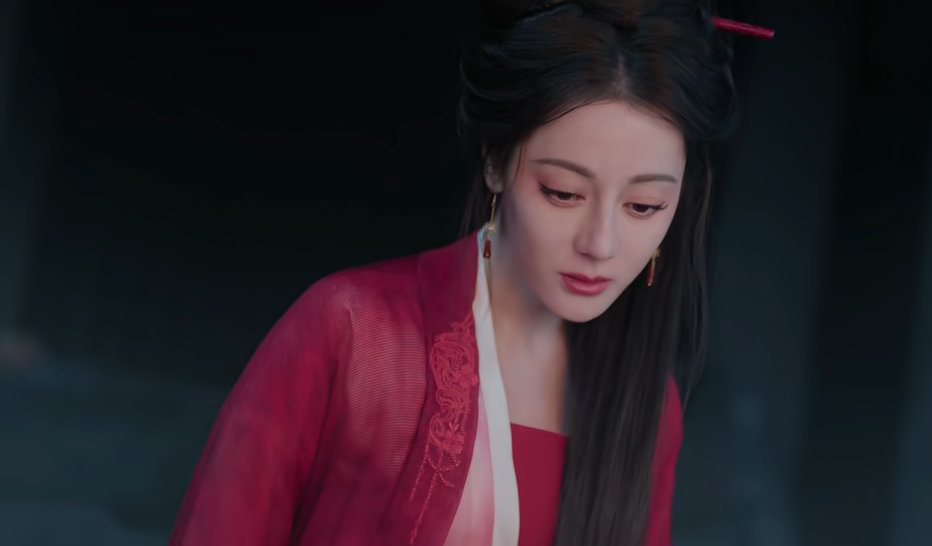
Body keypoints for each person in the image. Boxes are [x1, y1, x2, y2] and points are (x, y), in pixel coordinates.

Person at [169, 1, 769, 545]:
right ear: (495, 162)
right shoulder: (353, 332)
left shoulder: (649, 405)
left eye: (644, 206)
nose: (601, 244)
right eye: (563, 192)